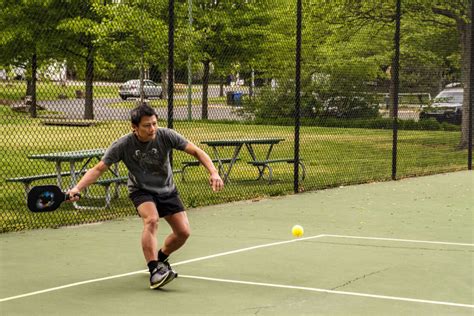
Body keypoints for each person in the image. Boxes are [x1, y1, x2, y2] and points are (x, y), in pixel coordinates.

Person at [67, 104, 224, 289]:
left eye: (154, 123)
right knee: (151, 220)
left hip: (167, 189)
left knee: (183, 233)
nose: (152, 129)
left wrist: (213, 172)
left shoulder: (166, 135)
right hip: (141, 190)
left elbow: (197, 151)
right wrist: (77, 188)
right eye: (147, 126)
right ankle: (154, 271)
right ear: (134, 127)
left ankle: (161, 259)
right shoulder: (123, 145)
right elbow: (99, 168)